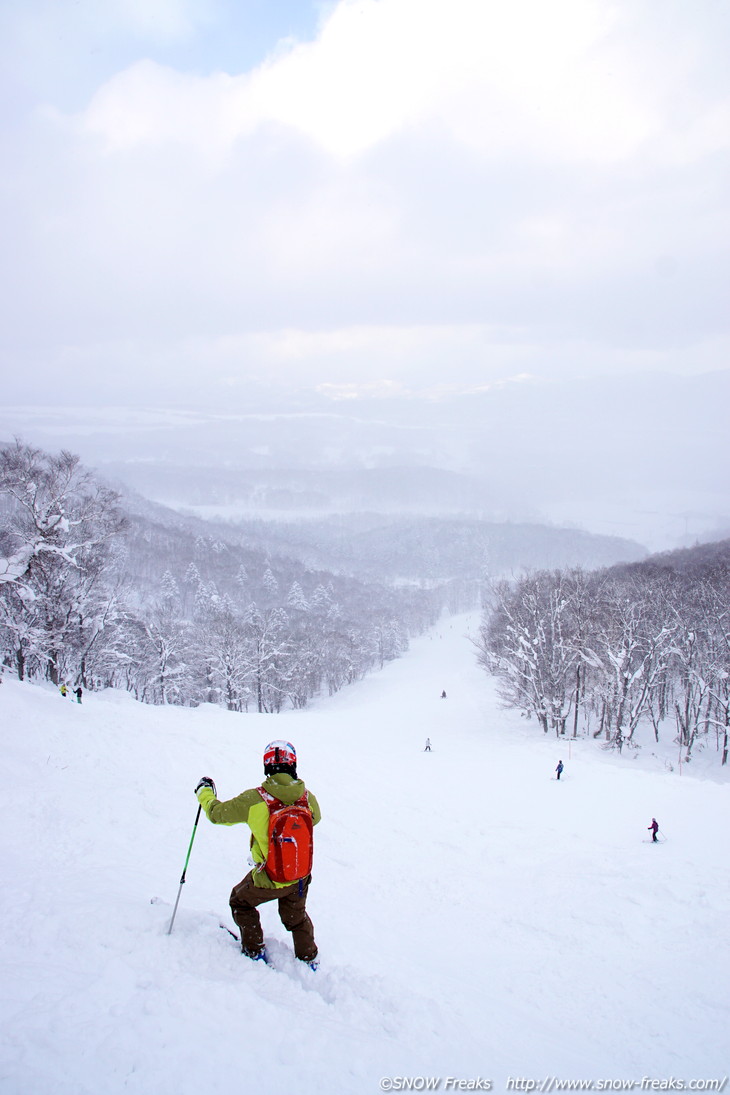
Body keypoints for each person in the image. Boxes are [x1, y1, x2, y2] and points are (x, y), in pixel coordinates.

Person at [194, 740, 321, 967]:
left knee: (240, 901)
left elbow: (216, 814)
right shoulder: (307, 797)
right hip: (300, 876)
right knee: (296, 918)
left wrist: (205, 794)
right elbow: (316, 819)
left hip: (269, 878)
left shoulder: (255, 800)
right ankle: (309, 958)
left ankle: (254, 951)